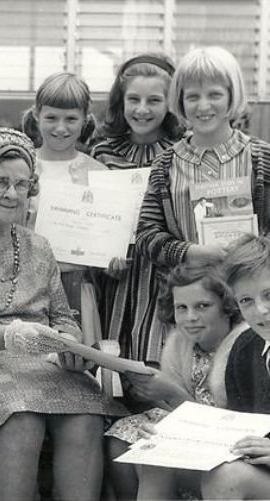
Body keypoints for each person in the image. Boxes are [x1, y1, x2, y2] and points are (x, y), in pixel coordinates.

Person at [0, 127, 125, 501]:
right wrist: (11, 337)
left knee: (85, 415)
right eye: (0, 182)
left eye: (21, 184)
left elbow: (62, 316)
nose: (12, 193)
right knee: (21, 418)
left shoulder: (39, 246)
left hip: (41, 364)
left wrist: (68, 342)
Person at [136, 47, 270, 359]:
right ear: (179, 101)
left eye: (214, 94)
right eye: (192, 96)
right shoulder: (165, 164)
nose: (204, 105)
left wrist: (252, 253)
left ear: (231, 96)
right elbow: (146, 236)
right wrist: (193, 252)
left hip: (252, 311)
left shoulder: (262, 158)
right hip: (189, 314)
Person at [105, 264, 246, 500]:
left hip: (228, 441)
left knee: (154, 452)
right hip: (191, 429)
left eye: (202, 306)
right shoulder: (180, 343)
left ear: (227, 306)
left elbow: (227, 422)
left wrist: (171, 393)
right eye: (182, 307)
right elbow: (173, 411)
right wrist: (149, 390)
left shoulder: (241, 346)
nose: (190, 317)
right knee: (124, 435)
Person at [91, 54, 184, 363]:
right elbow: (92, 218)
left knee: (157, 360)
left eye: (154, 100)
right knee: (113, 361)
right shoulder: (103, 150)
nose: (142, 109)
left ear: (171, 103)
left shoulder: (181, 153)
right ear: (121, 101)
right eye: (134, 99)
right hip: (116, 276)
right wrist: (101, 257)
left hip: (163, 274)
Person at [22, 71, 107, 346]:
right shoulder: (20, 166)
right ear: (37, 115)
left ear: (85, 119)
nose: (61, 128)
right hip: (25, 288)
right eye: (51, 118)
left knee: (76, 363)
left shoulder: (98, 173)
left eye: (71, 119)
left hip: (77, 288)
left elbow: (106, 238)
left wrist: (111, 260)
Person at [198, 234, 270, 499]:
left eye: (269, 294)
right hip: (261, 468)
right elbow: (239, 423)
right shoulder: (245, 347)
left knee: (226, 478)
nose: (260, 310)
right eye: (246, 300)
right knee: (158, 464)